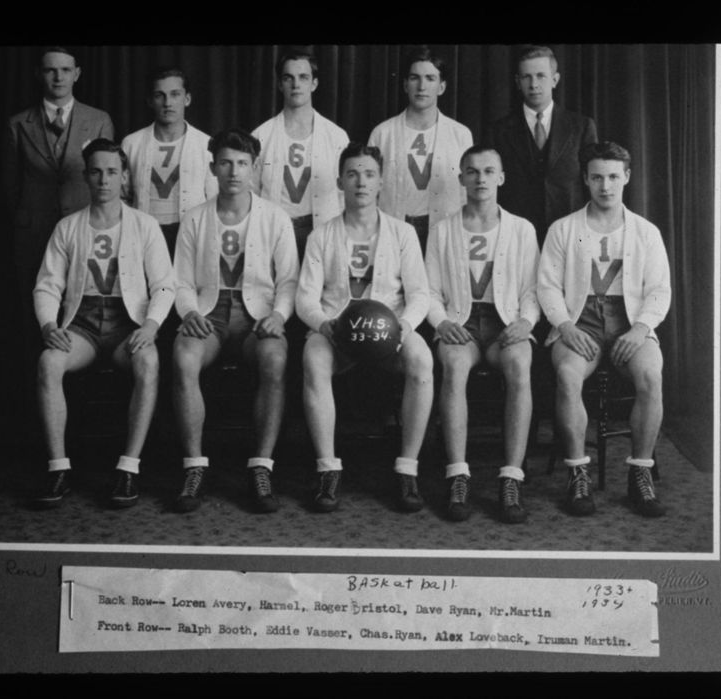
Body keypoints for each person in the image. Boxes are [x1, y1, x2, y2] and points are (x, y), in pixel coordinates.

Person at [31, 139, 174, 509]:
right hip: (83, 326)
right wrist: (49, 325)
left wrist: (151, 326)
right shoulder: (68, 227)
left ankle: (128, 468)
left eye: (112, 172)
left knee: (149, 362)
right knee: (49, 362)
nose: (104, 180)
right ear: (86, 176)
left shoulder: (144, 225)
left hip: (128, 324)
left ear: (124, 176)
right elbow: (48, 284)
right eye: (96, 172)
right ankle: (58, 468)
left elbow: (164, 284)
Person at [297, 142, 433, 513]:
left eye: (369, 174)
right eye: (353, 174)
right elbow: (305, 298)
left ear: (381, 182)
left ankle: (407, 469)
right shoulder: (321, 235)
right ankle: (327, 469)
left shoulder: (402, 233)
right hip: (337, 334)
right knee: (313, 359)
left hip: (390, 333)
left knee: (423, 362)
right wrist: (325, 326)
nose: (361, 182)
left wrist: (404, 326)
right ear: (340, 181)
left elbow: (421, 293)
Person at [537, 141, 671, 518]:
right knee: (567, 374)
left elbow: (660, 289)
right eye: (597, 177)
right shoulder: (563, 229)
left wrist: (640, 328)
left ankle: (639, 476)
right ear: (585, 179)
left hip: (630, 322)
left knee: (650, 375)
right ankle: (578, 474)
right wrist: (564, 325)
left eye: (613, 177)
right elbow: (546, 285)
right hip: (580, 321)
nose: (605, 186)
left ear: (626, 177)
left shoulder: (646, 232)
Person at [170, 128, 299, 514]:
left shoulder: (275, 218)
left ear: (254, 168)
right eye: (225, 163)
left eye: (242, 163)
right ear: (213, 167)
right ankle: (194, 466)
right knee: (183, 358)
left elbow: (289, 279)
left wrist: (279, 315)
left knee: (275, 360)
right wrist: (190, 312)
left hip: (258, 315)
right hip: (210, 314)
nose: (234, 172)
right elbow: (180, 280)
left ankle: (261, 466)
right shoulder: (195, 218)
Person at [426, 145, 540, 523]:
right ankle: (458, 474)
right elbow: (429, 290)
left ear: (501, 178)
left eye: (489, 171)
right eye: (472, 172)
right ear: (461, 179)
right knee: (454, 368)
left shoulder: (521, 229)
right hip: (461, 323)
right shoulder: (443, 229)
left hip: (505, 323)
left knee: (520, 367)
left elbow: (531, 290)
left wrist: (526, 322)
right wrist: (441, 322)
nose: (480, 179)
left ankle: (511, 476)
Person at [4, 46, 115, 330]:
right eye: (50, 70)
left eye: (65, 70)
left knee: (80, 311)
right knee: (34, 311)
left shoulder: (98, 120)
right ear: (39, 74)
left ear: (76, 74)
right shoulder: (18, 124)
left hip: (83, 230)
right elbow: (10, 185)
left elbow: (107, 181)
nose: (58, 77)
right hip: (33, 234)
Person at [367, 46, 473, 254]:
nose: (422, 86)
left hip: (444, 231)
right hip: (395, 230)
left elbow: (466, 194)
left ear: (442, 87)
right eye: (415, 78)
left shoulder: (460, 134)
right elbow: (371, 192)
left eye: (430, 78)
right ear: (405, 85)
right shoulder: (382, 134)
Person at [490, 44, 598, 247]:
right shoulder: (498, 131)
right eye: (526, 77)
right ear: (517, 82)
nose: (533, 84)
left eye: (541, 76)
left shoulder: (582, 126)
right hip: (516, 237)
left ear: (555, 80)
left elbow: (591, 182)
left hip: (569, 235)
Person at [252, 47, 349, 260]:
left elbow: (345, 197)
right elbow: (250, 194)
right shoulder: (261, 136)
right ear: (279, 84)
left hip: (322, 231)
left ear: (314, 83)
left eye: (303, 77)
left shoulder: (336, 137)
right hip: (275, 233)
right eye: (288, 78)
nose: (296, 85)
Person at [121, 67, 217, 258]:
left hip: (190, 237)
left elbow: (214, 201)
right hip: (144, 235)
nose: (167, 103)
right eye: (160, 95)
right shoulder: (131, 143)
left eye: (175, 95)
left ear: (187, 99)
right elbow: (123, 196)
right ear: (150, 101)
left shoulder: (206, 144)